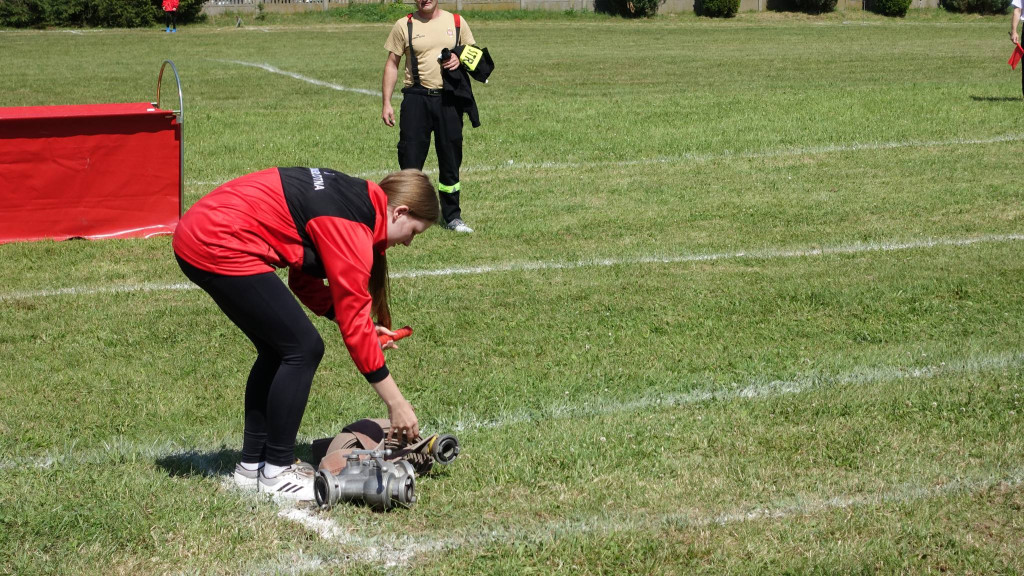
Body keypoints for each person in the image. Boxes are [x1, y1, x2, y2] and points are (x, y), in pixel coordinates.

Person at [172, 167, 438, 501]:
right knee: (302, 348)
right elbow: (353, 325)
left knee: (278, 350)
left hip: (204, 229)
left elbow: (303, 278)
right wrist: (397, 404)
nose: (410, 242)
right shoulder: (352, 226)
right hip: (216, 240)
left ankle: (251, 466)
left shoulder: (357, 200)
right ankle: (278, 470)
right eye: (414, 231)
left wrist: (363, 327)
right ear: (399, 212)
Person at [382, 0, 479, 234]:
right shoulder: (404, 24)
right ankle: (406, 214)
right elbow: (392, 65)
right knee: (410, 159)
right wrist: (386, 102)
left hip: (449, 100)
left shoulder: (456, 22)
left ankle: (452, 216)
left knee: (450, 158)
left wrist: (459, 58)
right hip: (416, 98)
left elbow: (474, 56)